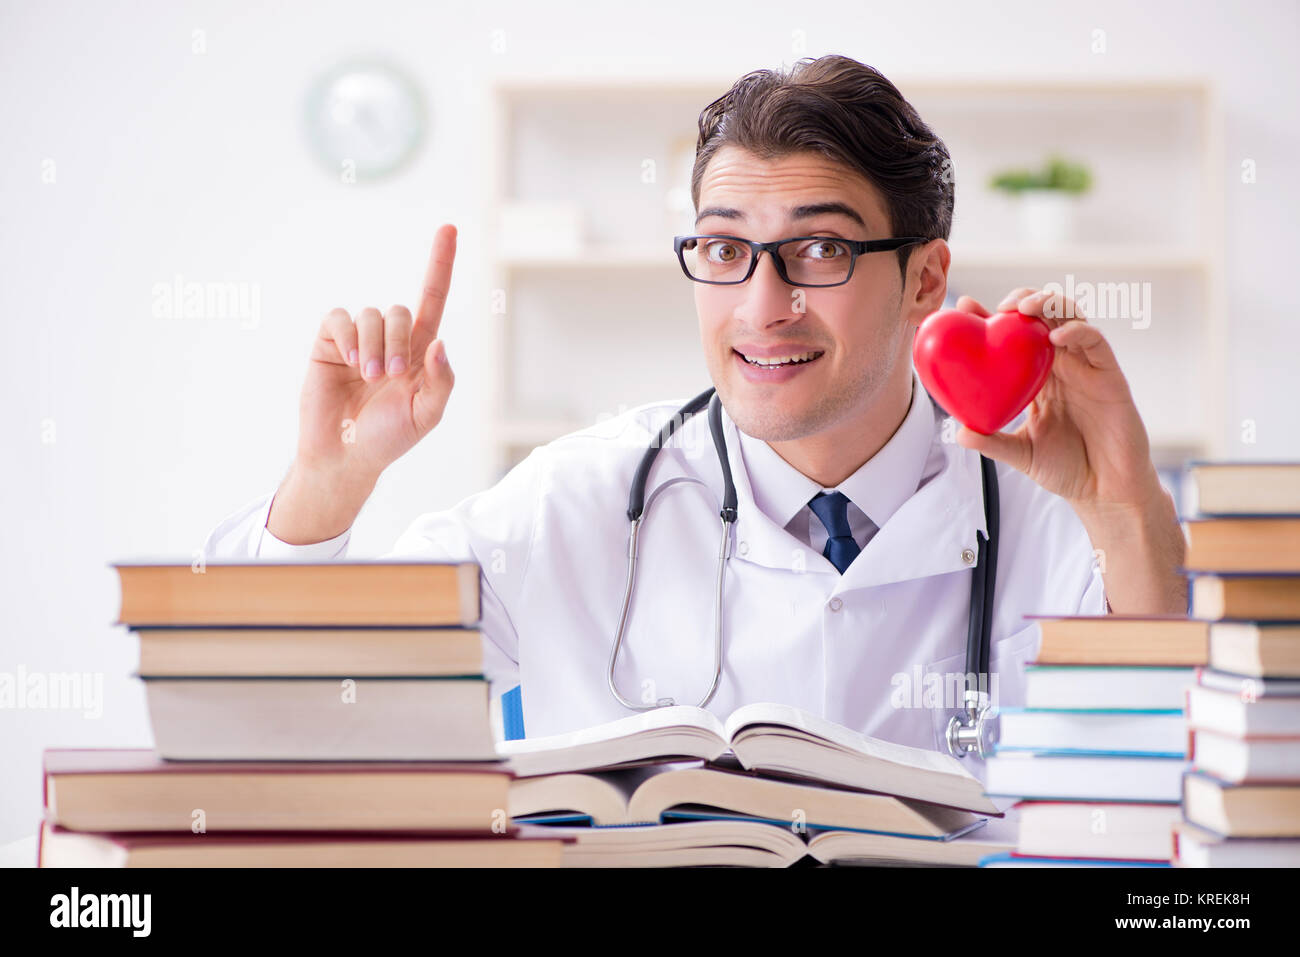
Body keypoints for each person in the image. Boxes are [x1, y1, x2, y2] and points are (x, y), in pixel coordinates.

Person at [202, 55, 1188, 751]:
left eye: (820, 249)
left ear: (925, 279)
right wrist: (326, 487)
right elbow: (275, 713)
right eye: (724, 251)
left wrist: (1128, 513)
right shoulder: (574, 499)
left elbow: (1178, 796)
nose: (761, 307)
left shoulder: (1060, 520)